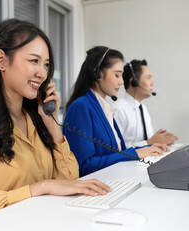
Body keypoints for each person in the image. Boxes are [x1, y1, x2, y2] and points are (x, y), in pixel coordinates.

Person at [0, 19, 110, 227]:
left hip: (43, 227)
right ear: (1, 60)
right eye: (34, 61)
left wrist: (52, 124)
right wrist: (38, 188)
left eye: (46, 64)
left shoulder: (36, 121)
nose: (43, 73)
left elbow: (70, 179)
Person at [63, 46, 168, 177]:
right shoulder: (81, 107)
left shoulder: (104, 107)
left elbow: (118, 152)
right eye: (117, 75)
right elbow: (85, 165)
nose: (122, 81)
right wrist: (135, 154)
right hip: (95, 187)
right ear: (98, 73)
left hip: (111, 181)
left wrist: (147, 149)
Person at [114, 59, 178, 148]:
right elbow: (115, 148)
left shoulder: (143, 108)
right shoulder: (119, 110)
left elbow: (148, 141)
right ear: (133, 82)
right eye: (148, 78)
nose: (152, 83)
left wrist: (159, 142)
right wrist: (150, 142)